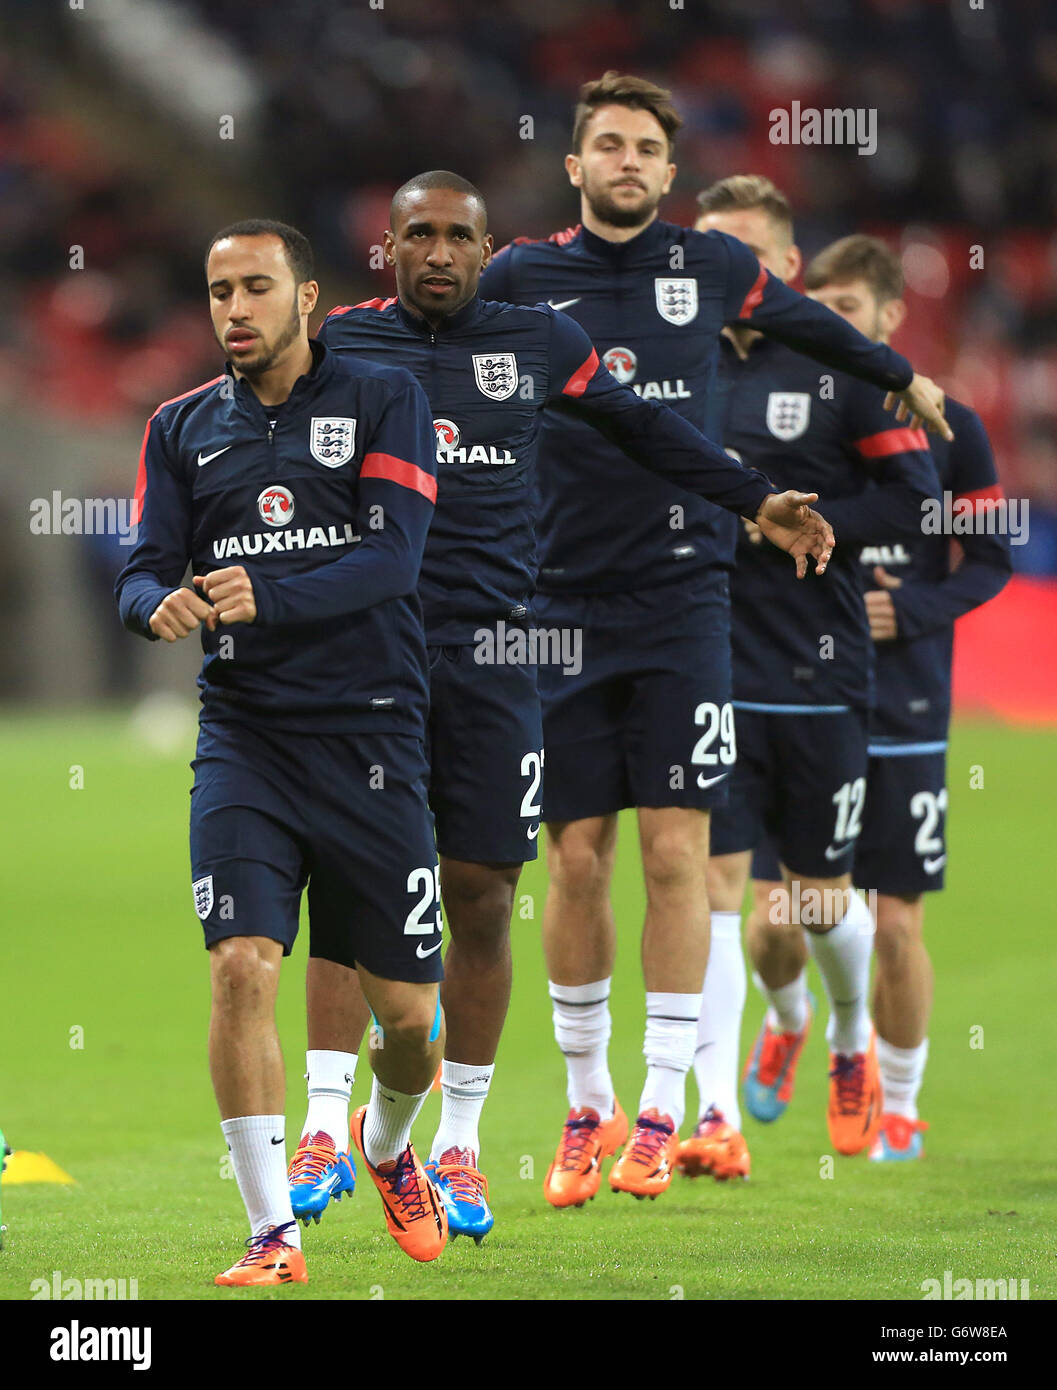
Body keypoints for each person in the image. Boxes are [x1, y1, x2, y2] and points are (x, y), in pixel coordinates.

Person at [294, 170, 834, 1240]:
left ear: (487, 250)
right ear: (387, 249)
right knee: (358, 881)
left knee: (486, 895)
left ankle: (458, 1142)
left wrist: (755, 498)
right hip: (369, 657)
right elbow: (254, 431)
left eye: (458, 236)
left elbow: (650, 429)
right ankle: (320, 1119)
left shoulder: (539, 340)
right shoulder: (342, 346)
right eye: (418, 235)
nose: (438, 252)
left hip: (500, 656)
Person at [479, 71, 951, 1205]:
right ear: (575, 166)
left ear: (669, 174)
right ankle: (584, 1101)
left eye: (646, 146)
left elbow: (816, 326)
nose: (628, 161)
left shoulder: (713, 270)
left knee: (680, 853)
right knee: (576, 858)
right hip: (555, 607)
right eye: (608, 144)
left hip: (687, 599)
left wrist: (903, 372)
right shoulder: (518, 277)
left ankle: (662, 1104)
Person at [115, 219, 449, 1282]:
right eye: (218, 292)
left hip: (373, 735)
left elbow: (394, 560)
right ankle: (272, 1233)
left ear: (307, 298)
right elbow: (139, 567)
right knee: (241, 967)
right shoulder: (179, 428)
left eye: (255, 287)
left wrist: (271, 595)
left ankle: (388, 1145)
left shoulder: (385, 399)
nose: (233, 310)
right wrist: (151, 606)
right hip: (246, 738)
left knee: (409, 1021)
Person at [692, 178, 940, 1167]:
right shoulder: (672, 372)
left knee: (815, 902)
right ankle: (708, 1114)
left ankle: (845, 1036)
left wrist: (816, 526)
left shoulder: (841, 369)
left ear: (787, 271)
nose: (724, 274)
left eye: (745, 254)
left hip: (817, 672)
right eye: (708, 253)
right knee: (712, 896)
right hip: (701, 667)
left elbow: (917, 498)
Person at [802, 235, 1010, 1158]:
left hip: (905, 708)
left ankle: (901, 1103)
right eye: (819, 306)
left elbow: (992, 559)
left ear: (890, 317)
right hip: (805, 696)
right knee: (798, 908)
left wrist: (914, 610)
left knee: (896, 918)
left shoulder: (953, 425)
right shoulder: (794, 421)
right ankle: (792, 1025)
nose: (831, 324)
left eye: (849, 308)